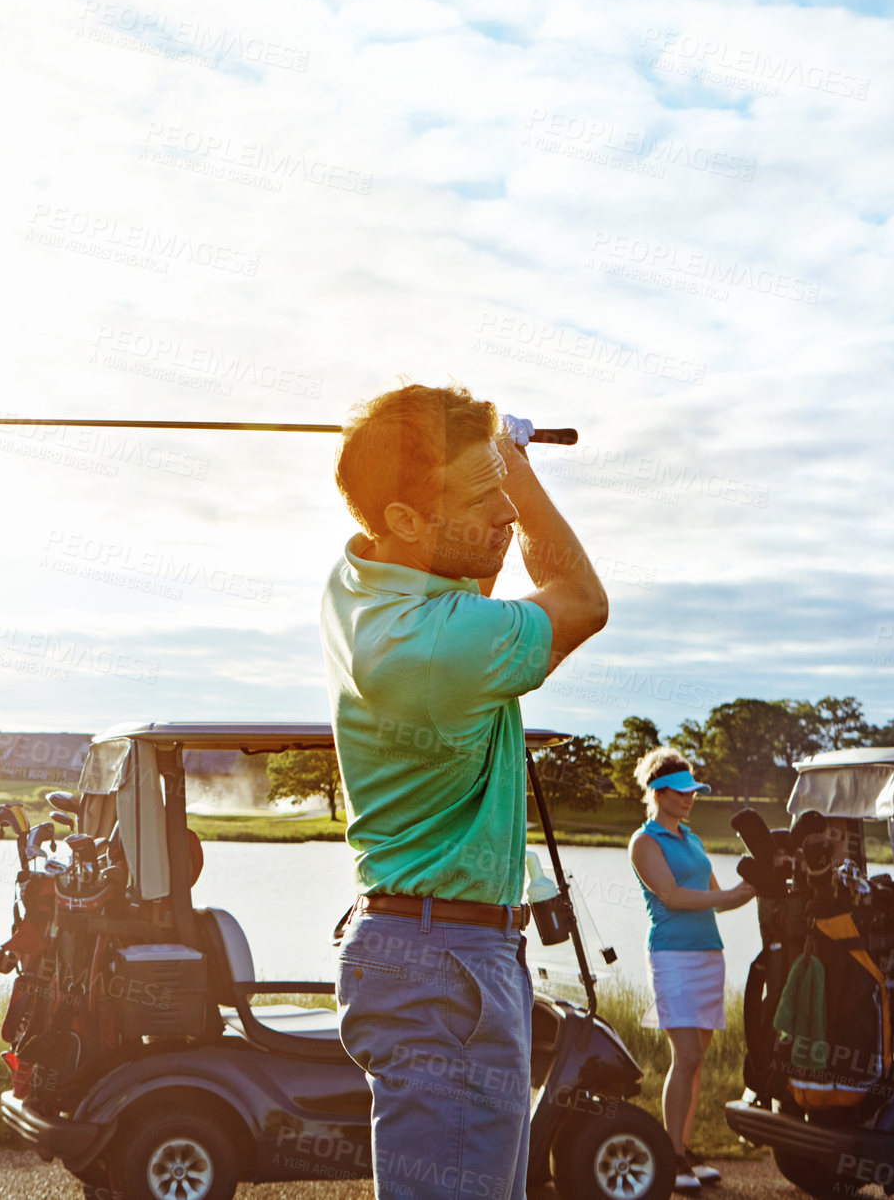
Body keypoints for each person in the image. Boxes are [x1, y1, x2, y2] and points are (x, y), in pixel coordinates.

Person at [320, 383, 608, 1200]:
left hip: (435, 952)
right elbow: (583, 602)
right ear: (407, 520)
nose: (508, 516)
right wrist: (514, 460)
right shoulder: (438, 645)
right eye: (485, 499)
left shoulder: (359, 581)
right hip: (446, 963)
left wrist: (470, 452)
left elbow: (458, 559)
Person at [628, 747, 755, 1194]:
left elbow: (716, 892)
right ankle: (671, 1156)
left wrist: (755, 885)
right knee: (687, 1058)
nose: (689, 799)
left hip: (707, 955)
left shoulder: (693, 839)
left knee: (696, 1064)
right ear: (658, 793)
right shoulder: (644, 842)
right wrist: (730, 897)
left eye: (693, 792)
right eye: (681, 793)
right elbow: (675, 897)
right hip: (672, 957)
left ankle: (683, 1147)